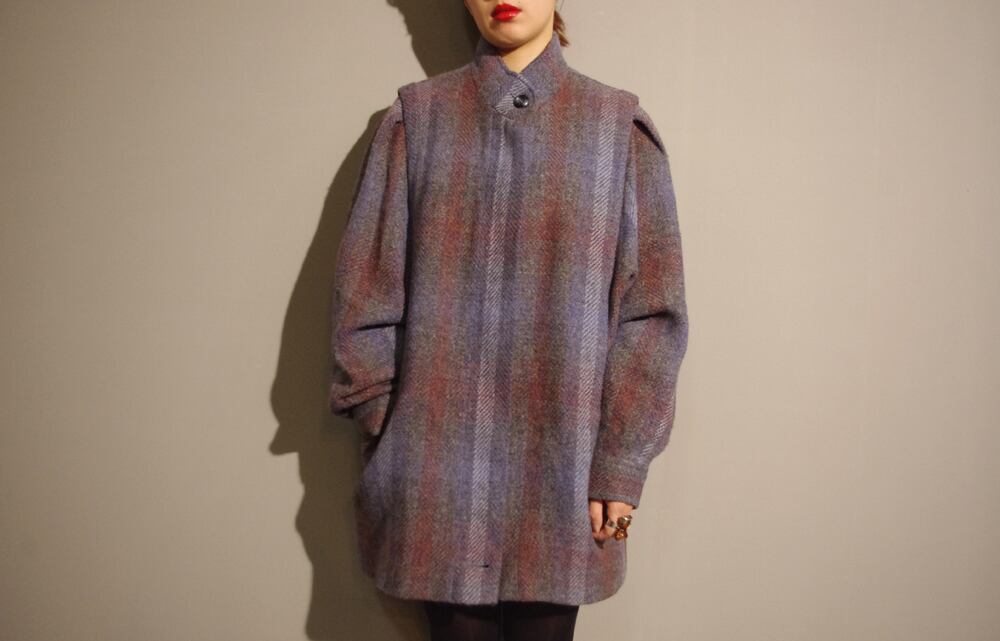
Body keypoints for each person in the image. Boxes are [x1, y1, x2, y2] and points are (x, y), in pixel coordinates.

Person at [328, 1, 689, 639]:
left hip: (568, 474)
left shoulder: (616, 127)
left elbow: (652, 316)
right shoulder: (417, 119)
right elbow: (365, 295)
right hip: (431, 482)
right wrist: (390, 432)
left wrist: (621, 462)